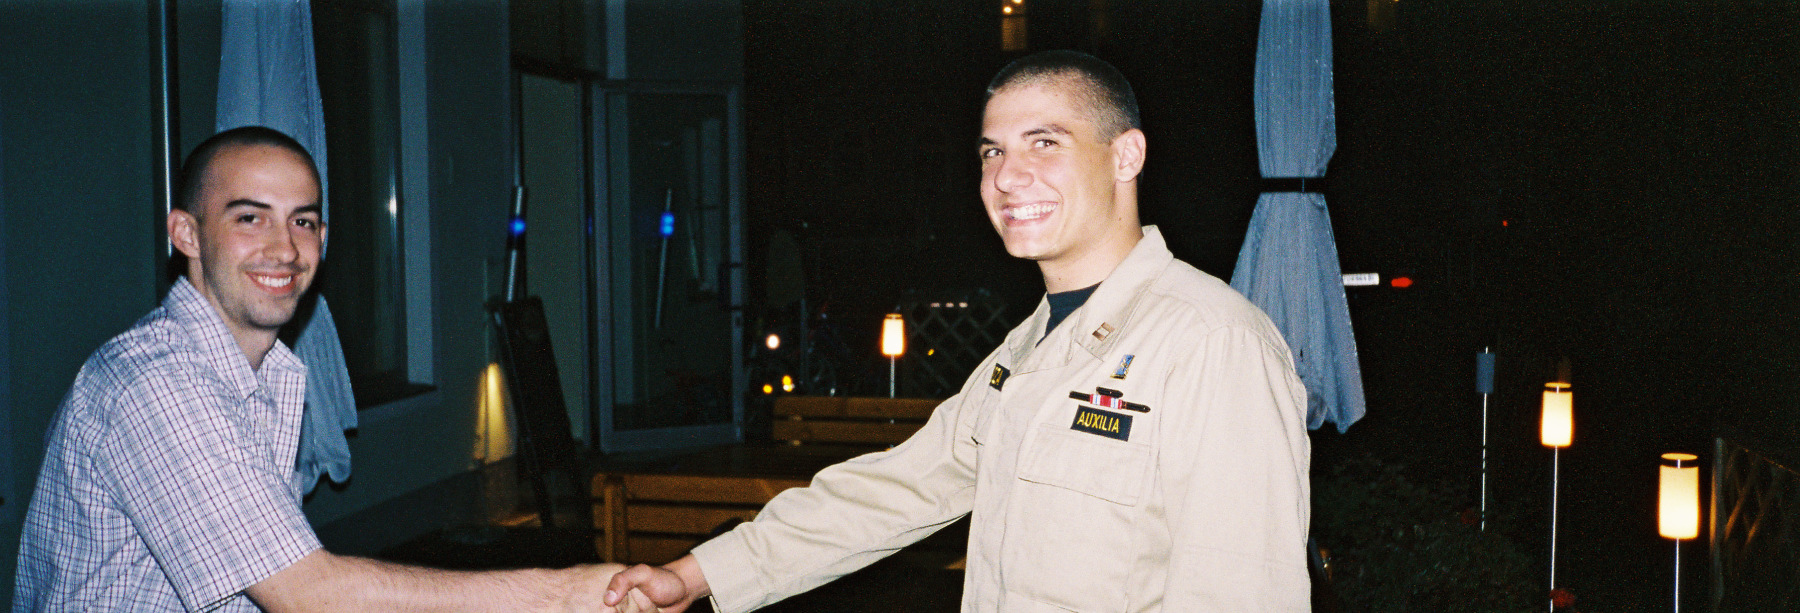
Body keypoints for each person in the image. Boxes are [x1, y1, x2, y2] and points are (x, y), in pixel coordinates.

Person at [605, 50, 1312, 612]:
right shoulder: (1031, 345)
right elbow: (902, 487)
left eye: (1044, 142)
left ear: (1125, 155)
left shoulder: (1212, 342)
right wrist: (695, 574)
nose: (1007, 177)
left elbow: (1244, 593)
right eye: (991, 152)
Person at [13, 127, 672, 613]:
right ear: (186, 234)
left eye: (302, 221)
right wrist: (561, 593)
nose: (283, 247)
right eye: (250, 217)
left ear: (322, 241)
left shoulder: (264, 372)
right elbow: (311, 594)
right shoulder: (154, 382)